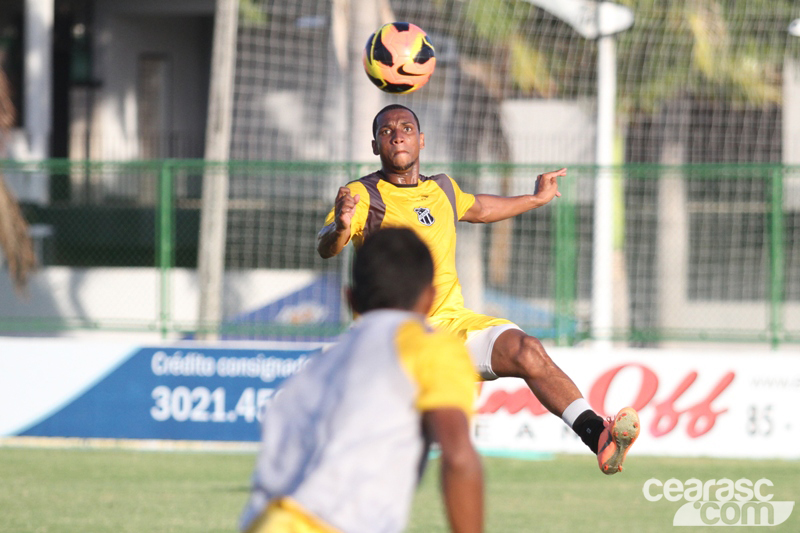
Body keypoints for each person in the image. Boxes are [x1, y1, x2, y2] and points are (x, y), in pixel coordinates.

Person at [317, 104, 639, 475]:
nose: (397, 134)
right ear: (375, 145)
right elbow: (328, 246)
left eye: (406, 127)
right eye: (386, 131)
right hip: (394, 342)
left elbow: (482, 208)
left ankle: (597, 435)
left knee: (527, 350)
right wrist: (341, 225)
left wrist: (535, 198)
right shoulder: (361, 194)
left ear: (421, 140)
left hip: (451, 326)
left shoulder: (442, 188)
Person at [240, 227, 483, 533]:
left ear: (350, 299)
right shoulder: (430, 345)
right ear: (430, 298)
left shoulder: (319, 366)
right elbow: (458, 456)